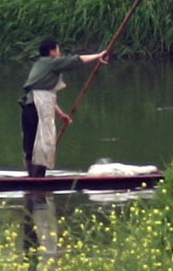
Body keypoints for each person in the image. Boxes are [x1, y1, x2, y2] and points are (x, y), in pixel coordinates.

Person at [20, 39, 108, 176]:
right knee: (40, 145)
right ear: (52, 51)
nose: (59, 52)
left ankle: (34, 180)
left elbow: (45, 96)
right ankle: (35, 181)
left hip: (30, 108)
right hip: (35, 108)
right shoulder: (51, 62)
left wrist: (61, 115)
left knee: (34, 145)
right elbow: (76, 61)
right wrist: (98, 56)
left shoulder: (40, 64)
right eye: (58, 49)